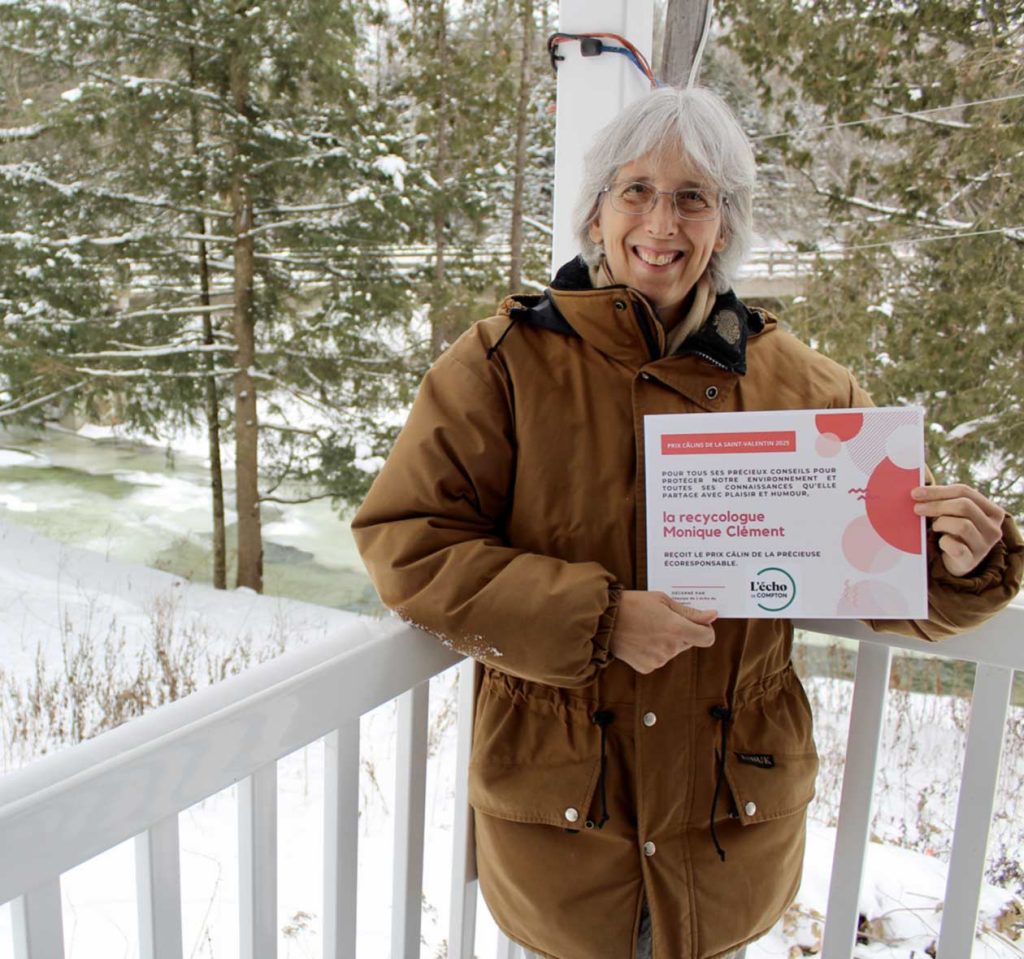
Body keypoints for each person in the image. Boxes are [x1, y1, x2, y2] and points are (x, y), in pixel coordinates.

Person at [351, 86, 1022, 959]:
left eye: (693, 196)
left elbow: (888, 579)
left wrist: (960, 561)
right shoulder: (501, 365)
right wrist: (598, 618)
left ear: (724, 222)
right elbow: (409, 542)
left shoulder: (806, 388)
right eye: (636, 189)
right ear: (596, 211)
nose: (661, 220)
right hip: (564, 823)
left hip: (725, 826)